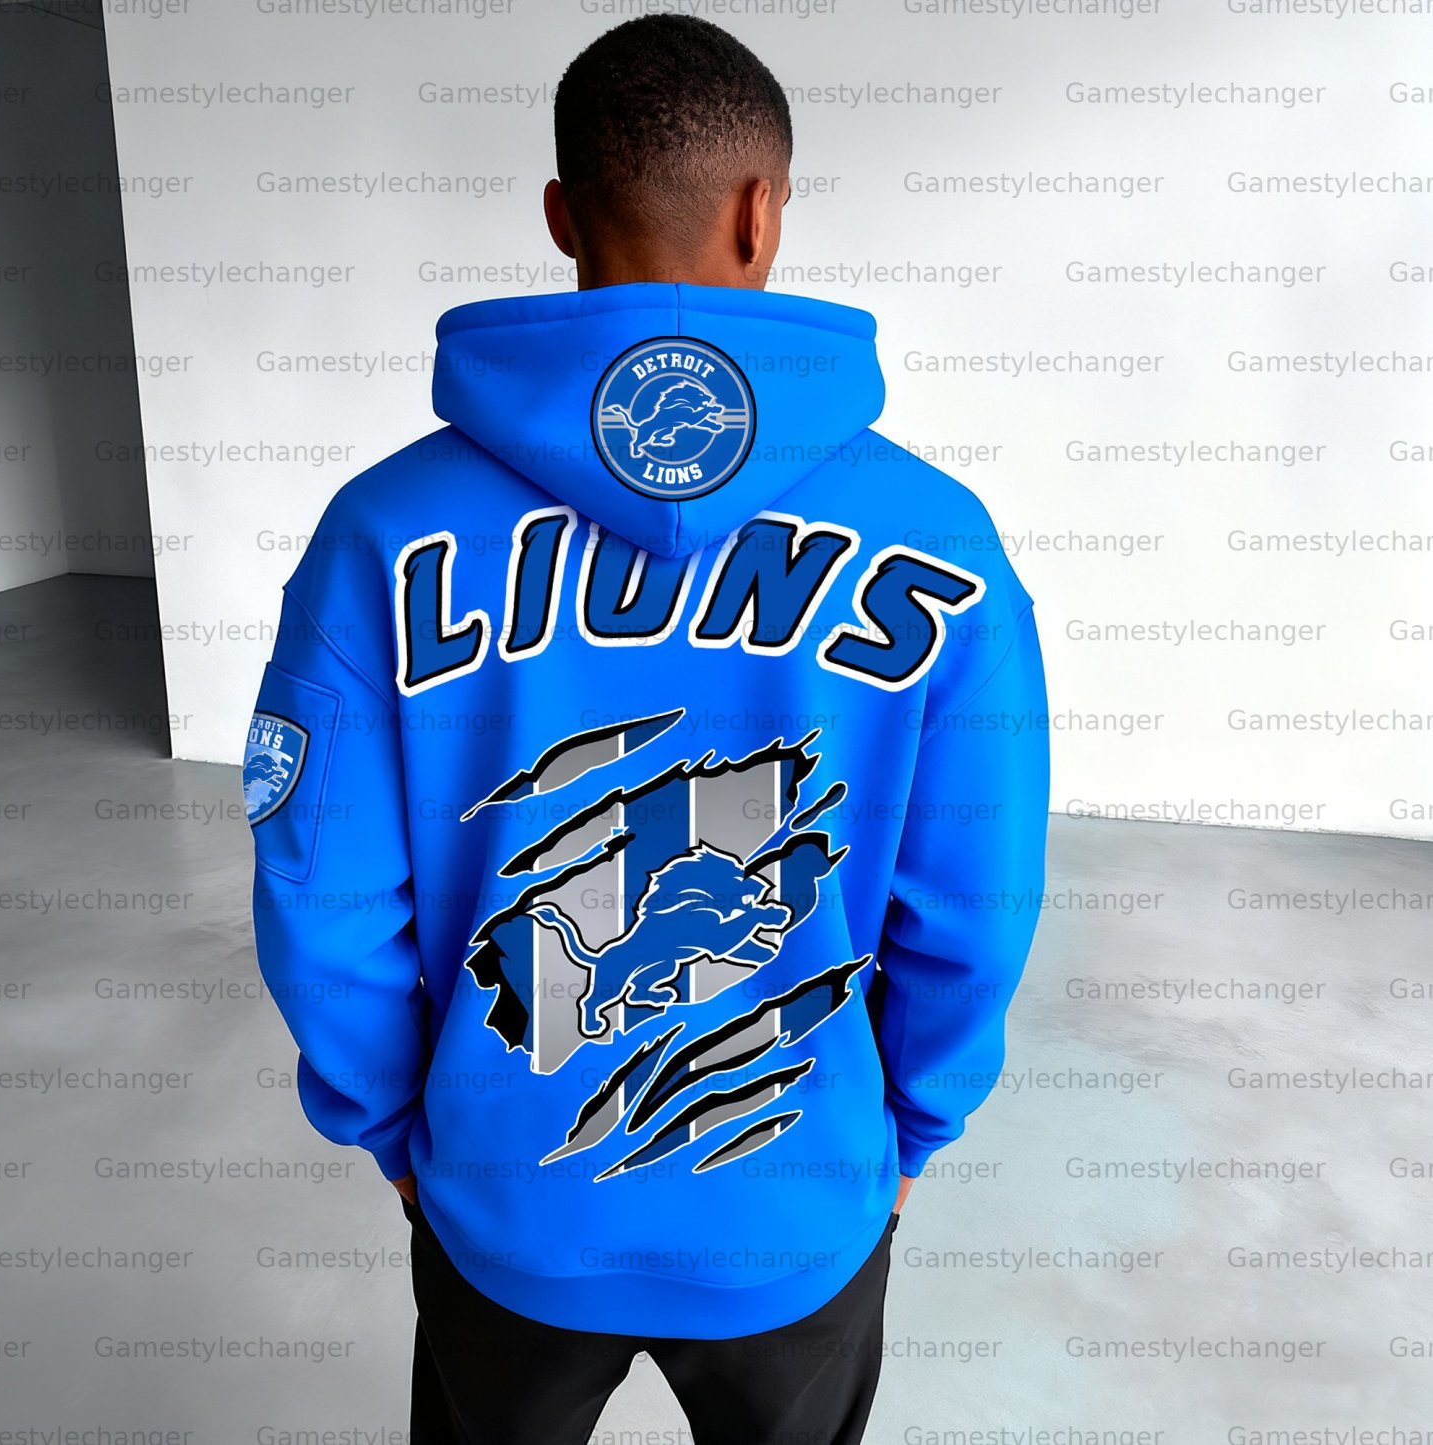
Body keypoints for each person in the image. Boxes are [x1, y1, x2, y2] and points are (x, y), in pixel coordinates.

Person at [244, 15, 1049, 1444]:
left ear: (561, 216)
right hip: (795, 1205)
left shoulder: (378, 533)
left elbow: (326, 894)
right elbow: (974, 903)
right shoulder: (940, 540)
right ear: (761, 212)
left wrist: (393, 1127)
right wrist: (914, 1127)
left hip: (504, 1197)